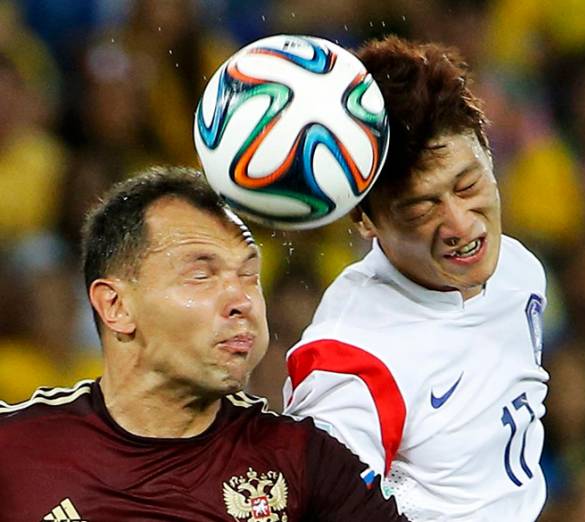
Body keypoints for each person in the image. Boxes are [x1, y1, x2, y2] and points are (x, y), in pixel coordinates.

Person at [0, 167, 406, 522]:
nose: (242, 302)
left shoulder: (302, 460)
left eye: (249, 276)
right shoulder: (13, 454)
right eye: (202, 276)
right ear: (116, 306)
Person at [283, 37, 549, 520]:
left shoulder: (517, 269)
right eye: (421, 207)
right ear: (365, 220)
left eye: (467, 185)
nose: (462, 225)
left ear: (489, 154)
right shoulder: (351, 359)